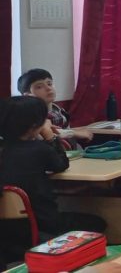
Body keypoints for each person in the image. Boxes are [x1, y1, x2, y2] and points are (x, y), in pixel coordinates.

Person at [0, 96, 106, 258]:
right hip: (44, 224)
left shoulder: (4, 150)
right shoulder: (39, 149)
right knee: (97, 223)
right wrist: (50, 136)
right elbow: (61, 164)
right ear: (34, 126)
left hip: (9, 232)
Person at [17, 68, 92, 142]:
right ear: (27, 95)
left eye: (49, 84)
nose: (48, 88)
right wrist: (74, 133)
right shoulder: (29, 115)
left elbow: (65, 129)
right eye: (39, 87)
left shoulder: (58, 109)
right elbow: (47, 134)